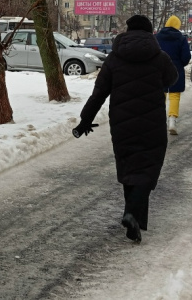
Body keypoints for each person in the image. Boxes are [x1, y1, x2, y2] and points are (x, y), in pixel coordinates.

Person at [73, 14, 177, 244]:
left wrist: (84, 121)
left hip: (122, 123)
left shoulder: (114, 59)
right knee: (148, 169)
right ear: (151, 33)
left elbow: (98, 94)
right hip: (152, 123)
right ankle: (132, 214)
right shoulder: (159, 57)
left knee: (130, 168)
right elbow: (172, 78)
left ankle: (136, 221)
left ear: (127, 32)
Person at [156, 15, 191, 135]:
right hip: (176, 69)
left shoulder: (157, 37)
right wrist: (179, 64)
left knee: (161, 94)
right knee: (175, 95)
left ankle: (159, 122)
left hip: (160, 69)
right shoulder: (181, 38)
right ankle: (172, 120)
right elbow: (186, 56)